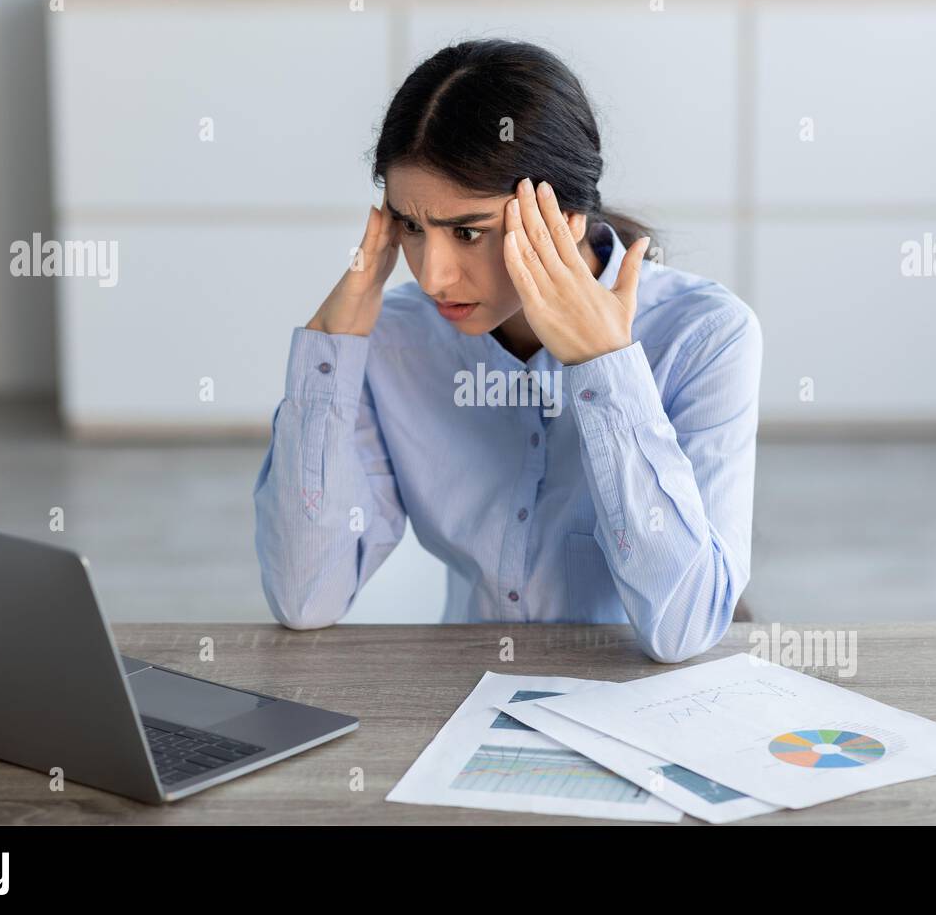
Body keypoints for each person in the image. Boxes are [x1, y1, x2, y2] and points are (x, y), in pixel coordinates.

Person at [254, 39, 762, 663]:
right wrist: (329, 356)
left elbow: (685, 628)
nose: (434, 275)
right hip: (468, 704)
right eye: (411, 227)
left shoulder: (706, 335)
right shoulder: (391, 341)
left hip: (652, 717)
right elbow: (308, 598)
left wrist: (605, 367)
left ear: (567, 215)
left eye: (468, 233)